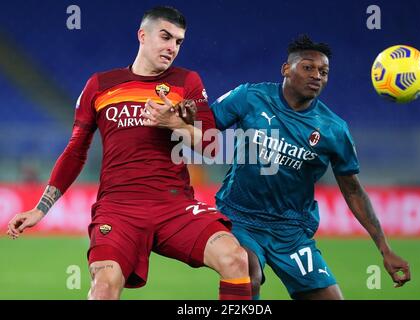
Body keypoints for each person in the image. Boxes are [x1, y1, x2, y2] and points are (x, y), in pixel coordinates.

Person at [7, 6, 252, 300]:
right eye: (165, 37)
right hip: (118, 208)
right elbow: (75, 151)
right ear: (142, 35)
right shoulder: (100, 85)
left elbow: (211, 146)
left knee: (236, 259)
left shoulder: (187, 82)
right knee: (104, 287)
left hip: (174, 205)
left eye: (178, 41)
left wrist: (174, 123)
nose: (172, 47)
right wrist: (41, 208)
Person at [209, 35, 411, 299]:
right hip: (240, 218)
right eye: (308, 67)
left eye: (324, 72)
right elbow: (203, 127)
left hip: (291, 231)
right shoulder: (250, 97)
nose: (317, 75)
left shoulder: (333, 129)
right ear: (286, 69)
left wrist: (384, 249)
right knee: (246, 273)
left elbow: (352, 190)